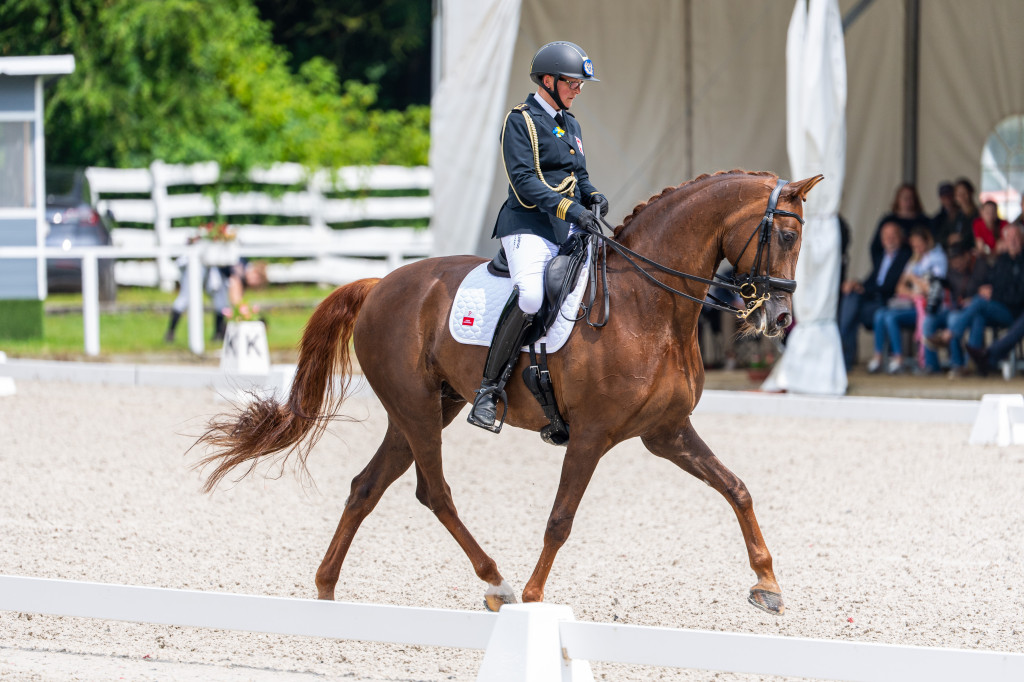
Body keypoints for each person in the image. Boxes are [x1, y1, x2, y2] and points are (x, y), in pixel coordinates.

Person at [467, 41, 606, 430]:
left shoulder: (570, 123)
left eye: (581, 84)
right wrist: (571, 208)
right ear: (548, 80)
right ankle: (488, 390)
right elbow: (525, 182)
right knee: (530, 295)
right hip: (527, 226)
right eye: (573, 82)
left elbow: (577, 175)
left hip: (567, 226)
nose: (578, 90)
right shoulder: (521, 120)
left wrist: (592, 195)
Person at [931, 223, 1024, 377]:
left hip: (1015, 312)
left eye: (1016, 238)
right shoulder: (1003, 260)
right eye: (1010, 238)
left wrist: (993, 294)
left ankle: (950, 334)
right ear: (1005, 241)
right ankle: (971, 364)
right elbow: (990, 282)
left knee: (979, 302)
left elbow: (1019, 296)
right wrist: (985, 290)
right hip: (999, 307)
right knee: (978, 316)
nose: (1013, 241)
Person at [867, 226, 947, 374]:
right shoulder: (914, 260)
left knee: (890, 317)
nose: (916, 248)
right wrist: (914, 294)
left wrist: (914, 280)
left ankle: (899, 358)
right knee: (880, 314)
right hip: (913, 304)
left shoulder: (937, 258)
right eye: (913, 245)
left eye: (919, 244)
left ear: (927, 242)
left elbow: (932, 289)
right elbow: (899, 287)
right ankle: (878, 356)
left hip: (930, 308)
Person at [838, 220, 912, 371]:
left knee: (852, 307)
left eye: (893, 235)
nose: (889, 239)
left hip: (888, 302)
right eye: (886, 236)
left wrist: (863, 288)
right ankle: (845, 360)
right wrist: (856, 284)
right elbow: (871, 281)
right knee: (851, 298)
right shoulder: (881, 257)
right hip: (873, 302)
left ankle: (842, 350)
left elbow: (890, 286)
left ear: (901, 237)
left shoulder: (906, 256)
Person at [921, 239, 986, 373]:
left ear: (967, 255)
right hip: (955, 309)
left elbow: (985, 293)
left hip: (972, 310)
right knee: (928, 321)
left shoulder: (980, 267)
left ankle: (959, 364)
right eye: (953, 260)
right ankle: (932, 366)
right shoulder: (951, 271)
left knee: (956, 319)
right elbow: (944, 288)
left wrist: (972, 298)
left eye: (958, 259)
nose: (956, 263)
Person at [869, 183, 929, 269]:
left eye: (910, 197)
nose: (907, 200)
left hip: (916, 265)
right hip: (891, 266)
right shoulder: (888, 220)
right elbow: (875, 247)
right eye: (904, 197)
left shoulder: (923, 220)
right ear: (898, 199)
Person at [948, 177, 980, 249]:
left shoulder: (978, 215)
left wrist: (962, 238)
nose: (962, 197)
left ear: (970, 193)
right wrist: (949, 239)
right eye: (959, 194)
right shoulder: (954, 216)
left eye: (964, 193)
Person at [930, 181, 959, 251]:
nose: (947, 199)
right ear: (940, 198)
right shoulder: (937, 219)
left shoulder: (963, 215)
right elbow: (933, 238)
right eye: (944, 196)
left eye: (950, 196)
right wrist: (947, 239)